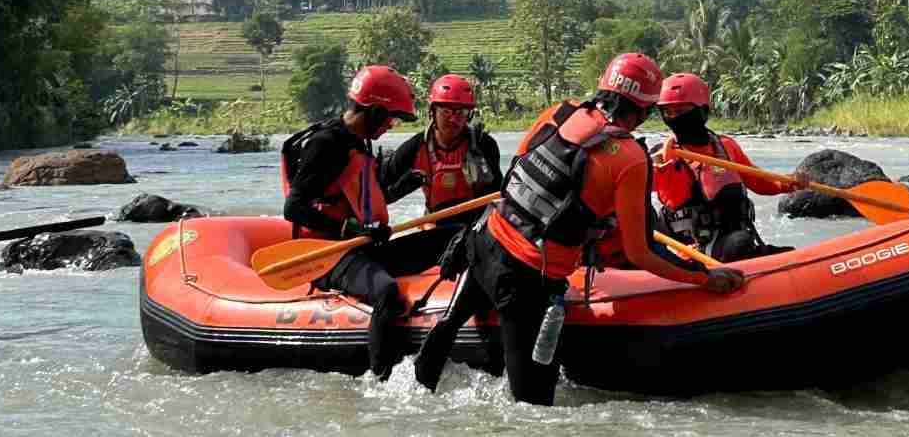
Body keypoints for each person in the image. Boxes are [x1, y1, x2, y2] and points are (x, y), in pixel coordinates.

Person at [414, 53, 746, 405]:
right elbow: (641, 251)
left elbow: (518, 174)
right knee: (534, 406)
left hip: (484, 239)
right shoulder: (631, 158)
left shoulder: (560, 111)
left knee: (447, 328)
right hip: (525, 275)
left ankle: (415, 401)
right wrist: (704, 277)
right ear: (645, 110)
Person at [279, 64, 418, 380]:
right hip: (326, 255)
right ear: (373, 110)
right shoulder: (326, 144)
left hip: (359, 249)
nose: (391, 125)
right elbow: (294, 208)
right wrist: (346, 230)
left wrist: (401, 188)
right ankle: (380, 379)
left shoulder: (357, 143)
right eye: (389, 117)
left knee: (446, 238)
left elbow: (361, 202)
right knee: (386, 291)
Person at [651, 72, 808, 262]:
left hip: (735, 242)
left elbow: (760, 181)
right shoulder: (663, 158)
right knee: (740, 243)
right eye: (668, 112)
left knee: (774, 250)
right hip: (693, 254)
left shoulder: (726, 146)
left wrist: (790, 182)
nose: (675, 117)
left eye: (682, 110)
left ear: (702, 111)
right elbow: (634, 186)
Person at [379, 72, 502, 217]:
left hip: (475, 226)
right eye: (446, 111)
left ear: (469, 115)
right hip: (436, 225)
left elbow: (499, 195)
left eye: (461, 112)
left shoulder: (484, 144)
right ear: (432, 112)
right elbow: (379, 188)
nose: (453, 119)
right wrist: (396, 191)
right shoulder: (415, 148)